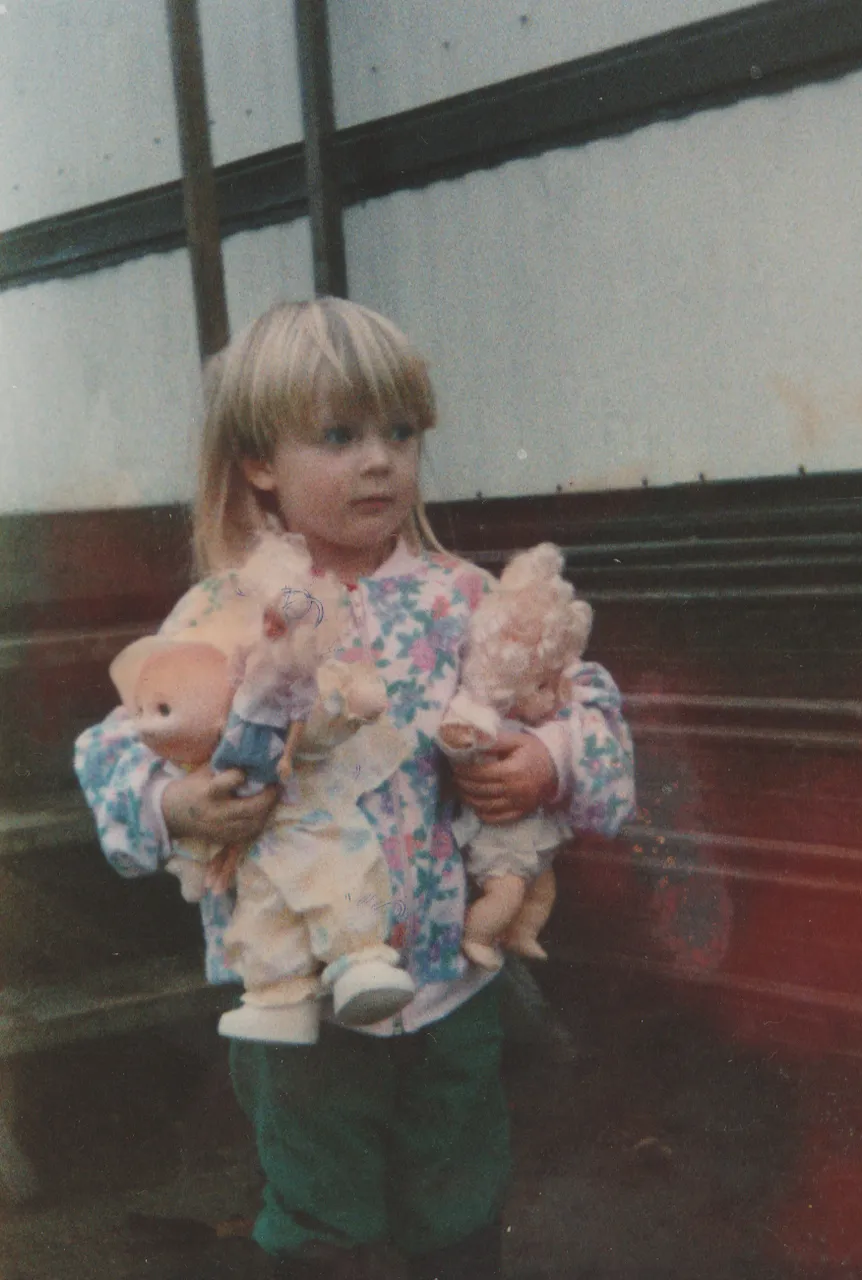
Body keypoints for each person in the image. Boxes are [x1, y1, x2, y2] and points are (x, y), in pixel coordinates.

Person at [74, 297, 636, 1280]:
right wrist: (174, 803)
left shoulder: (464, 597)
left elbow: (579, 693)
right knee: (319, 1216)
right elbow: (118, 744)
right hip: (299, 1001)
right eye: (338, 435)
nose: (378, 458)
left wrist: (548, 759)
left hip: (449, 972)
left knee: (458, 1198)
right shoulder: (224, 610)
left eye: (399, 431)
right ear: (259, 462)